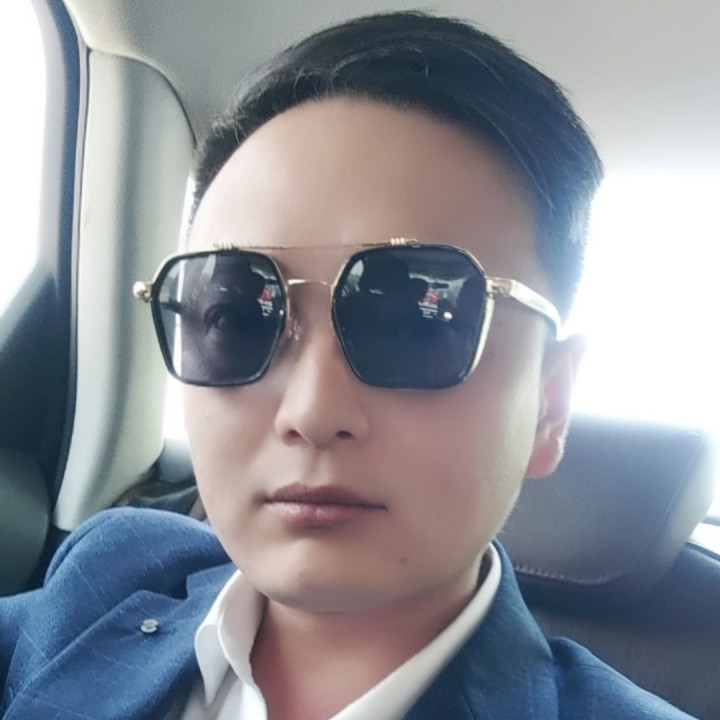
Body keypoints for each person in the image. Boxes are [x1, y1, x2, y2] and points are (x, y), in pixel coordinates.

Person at [0, 11, 698, 720]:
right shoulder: (115, 574)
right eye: (235, 316)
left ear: (549, 401)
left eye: (416, 326)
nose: (311, 412)